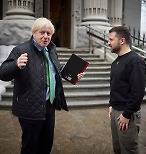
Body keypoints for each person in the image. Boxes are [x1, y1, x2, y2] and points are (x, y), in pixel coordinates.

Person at [0, 17, 84, 154]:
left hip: (49, 106)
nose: (46, 36)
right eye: (42, 32)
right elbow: (3, 73)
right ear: (34, 33)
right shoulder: (20, 50)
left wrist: (73, 75)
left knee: (46, 145)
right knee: (30, 147)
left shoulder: (51, 50)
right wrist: (16, 64)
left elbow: (54, 70)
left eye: (49, 34)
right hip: (30, 108)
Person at [108, 26, 146, 154]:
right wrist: (111, 104)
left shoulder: (135, 61)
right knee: (117, 148)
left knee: (129, 150)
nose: (108, 42)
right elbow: (115, 86)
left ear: (122, 41)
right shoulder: (116, 62)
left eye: (111, 39)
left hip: (127, 114)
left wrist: (127, 114)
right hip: (115, 110)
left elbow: (138, 92)